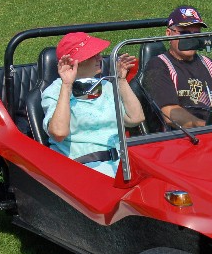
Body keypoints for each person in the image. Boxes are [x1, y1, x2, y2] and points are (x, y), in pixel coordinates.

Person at [42, 32, 144, 178]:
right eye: (93, 55)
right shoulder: (55, 91)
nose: (100, 58)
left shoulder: (106, 85)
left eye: (99, 53)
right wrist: (67, 84)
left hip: (121, 163)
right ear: (74, 62)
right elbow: (59, 133)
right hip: (80, 167)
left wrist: (120, 80)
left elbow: (135, 118)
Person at [143, 6, 212, 128]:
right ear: (168, 34)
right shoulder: (158, 66)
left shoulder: (209, 65)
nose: (191, 38)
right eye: (184, 33)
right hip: (180, 138)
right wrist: (205, 126)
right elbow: (170, 113)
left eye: (196, 33)